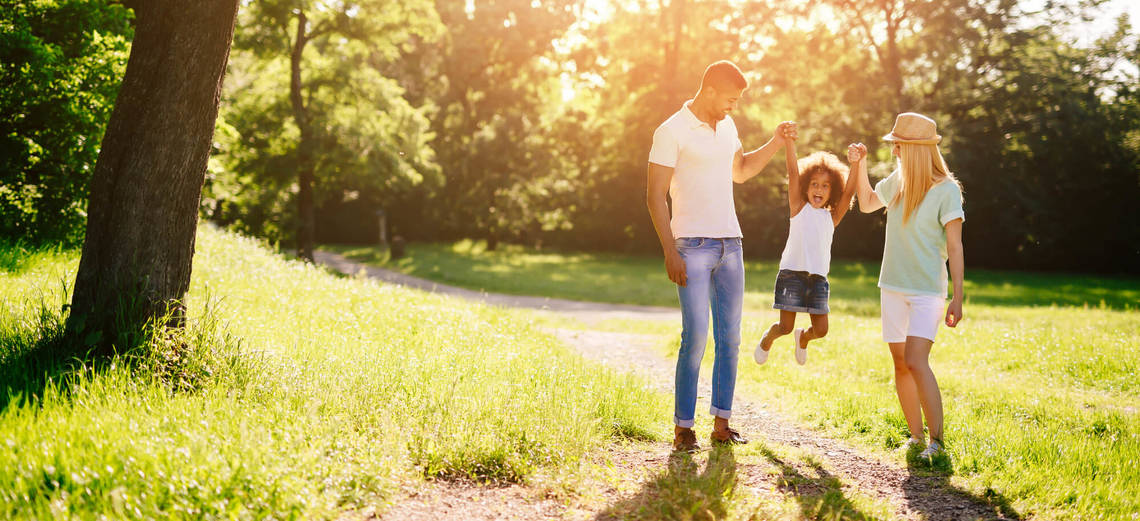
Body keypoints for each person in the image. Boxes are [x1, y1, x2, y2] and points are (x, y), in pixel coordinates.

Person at [646, 59, 796, 453]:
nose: (734, 107)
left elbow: (743, 170)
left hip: (732, 245)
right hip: (691, 248)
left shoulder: (727, 126)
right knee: (695, 337)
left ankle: (721, 424)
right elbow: (654, 196)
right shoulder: (670, 131)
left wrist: (777, 142)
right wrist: (669, 250)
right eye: (730, 99)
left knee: (729, 339)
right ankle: (683, 428)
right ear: (710, 89)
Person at [853, 112, 965, 461]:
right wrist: (859, 166)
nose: (895, 150)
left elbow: (956, 247)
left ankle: (937, 442)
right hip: (893, 287)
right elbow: (868, 203)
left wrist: (958, 297)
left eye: (898, 145)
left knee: (917, 361)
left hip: (927, 291)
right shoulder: (898, 180)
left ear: (915, 148)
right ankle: (916, 438)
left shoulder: (947, 190)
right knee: (900, 364)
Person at [753, 134, 862, 366]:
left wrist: (857, 163)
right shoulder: (798, 207)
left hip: (818, 279)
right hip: (792, 274)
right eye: (814, 184)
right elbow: (793, 172)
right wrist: (789, 141)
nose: (819, 189)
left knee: (821, 330)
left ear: (832, 191)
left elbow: (850, 191)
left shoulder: (832, 217)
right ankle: (767, 339)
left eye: (825, 186)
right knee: (784, 326)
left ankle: (803, 337)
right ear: (806, 186)